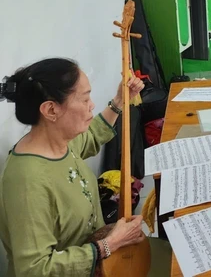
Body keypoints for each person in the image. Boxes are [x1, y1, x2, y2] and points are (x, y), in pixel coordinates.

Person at [0, 58, 171, 276]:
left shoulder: (59, 143)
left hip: (103, 261)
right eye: (85, 98)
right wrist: (108, 245)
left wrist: (119, 101)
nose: (92, 105)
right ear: (51, 110)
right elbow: (34, 269)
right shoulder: (26, 181)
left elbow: (91, 137)